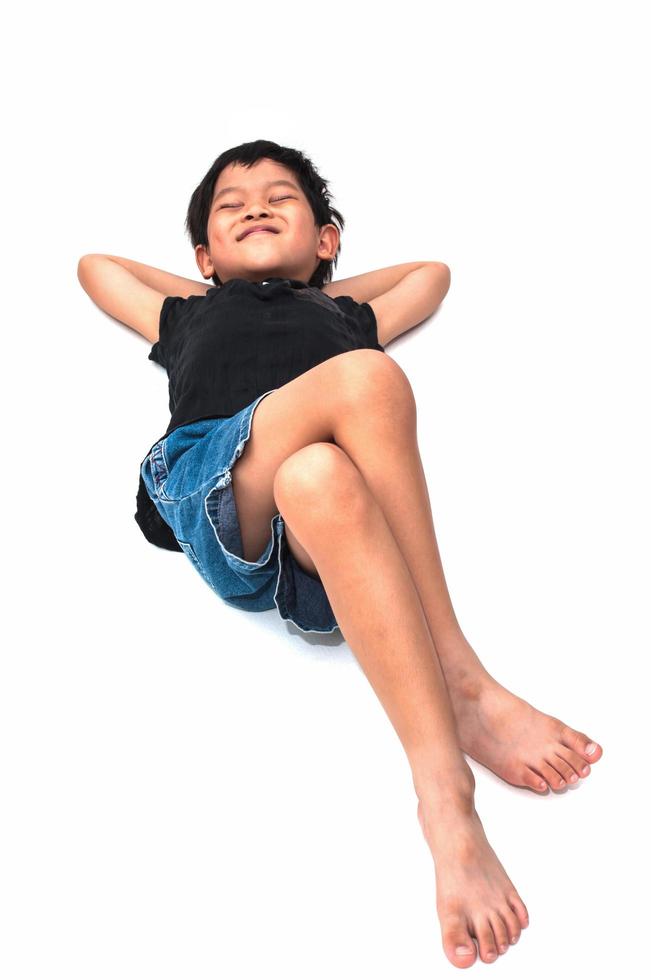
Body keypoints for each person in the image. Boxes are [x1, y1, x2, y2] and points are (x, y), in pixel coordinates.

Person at [77, 139, 603, 969]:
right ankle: (458, 690)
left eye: (280, 198)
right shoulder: (190, 313)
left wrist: (315, 287)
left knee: (319, 470)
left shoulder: (346, 316)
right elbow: (95, 266)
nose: (254, 205)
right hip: (218, 489)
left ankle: (442, 800)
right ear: (202, 255)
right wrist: (225, 282)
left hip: (329, 549)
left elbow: (430, 272)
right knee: (365, 380)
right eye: (231, 205)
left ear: (327, 237)